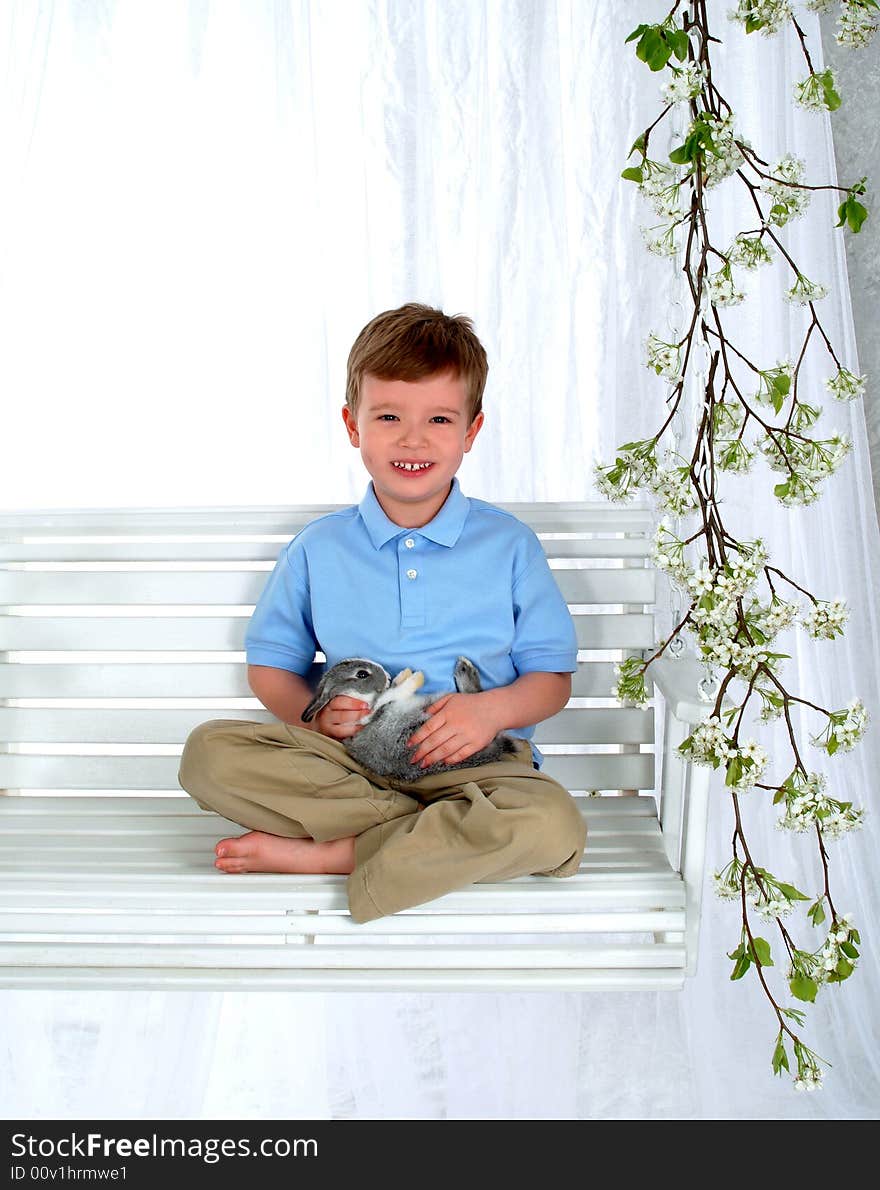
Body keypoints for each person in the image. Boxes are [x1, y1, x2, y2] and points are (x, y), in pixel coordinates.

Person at [177, 302, 587, 923]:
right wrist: (315, 721)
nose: (412, 439)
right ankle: (428, 841)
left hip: (476, 773)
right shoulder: (320, 547)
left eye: (439, 419)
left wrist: (491, 710)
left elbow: (551, 681)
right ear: (352, 424)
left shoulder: (509, 546)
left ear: (472, 431)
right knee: (208, 754)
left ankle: (336, 853)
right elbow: (270, 666)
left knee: (555, 825)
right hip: (351, 766)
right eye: (389, 416)